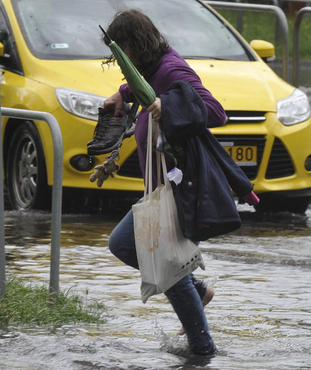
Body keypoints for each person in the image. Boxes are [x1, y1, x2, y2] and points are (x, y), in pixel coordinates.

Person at [100, 9, 260, 356]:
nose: (118, 62)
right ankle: (196, 294)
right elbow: (147, 84)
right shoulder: (154, 69)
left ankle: (202, 349)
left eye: (120, 55)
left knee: (153, 260)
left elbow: (214, 112)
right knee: (144, 255)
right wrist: (123, 93)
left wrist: (165, 105)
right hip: (163, 192)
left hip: (181, 192)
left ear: (134, 46)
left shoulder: (172, 69)